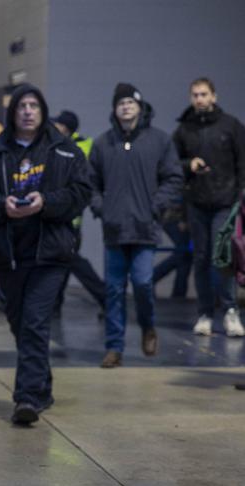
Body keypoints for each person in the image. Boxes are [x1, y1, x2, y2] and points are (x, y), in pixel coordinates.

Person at [0, 83, 92, 425]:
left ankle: (27, 398)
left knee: (35, 322)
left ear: (43, 110)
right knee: (21, 324)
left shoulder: (64, 151)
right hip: (7, 254)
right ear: (13, 112)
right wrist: (1, 206)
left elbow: (82, 192)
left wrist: (46, 202)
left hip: (49, 252)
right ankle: (43, 384)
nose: (28, 111)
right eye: (22, 105)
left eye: (34, 105)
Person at [90, 83, 183, 368]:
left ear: (140, 107)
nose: (126, 107)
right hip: (115, 229)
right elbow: (90, 181)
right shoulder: (103, 143)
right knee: (114, 290)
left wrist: (156, 206)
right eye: (121, 103)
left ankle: (147, 326)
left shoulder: (159, 140)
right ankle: (114, 348)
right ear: (114, 109)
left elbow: (174, 178)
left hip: (145, 227)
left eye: (131, 102)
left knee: (143, 283)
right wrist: (101, 207)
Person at [173, 77, 245, 337]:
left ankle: (229, 311)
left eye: (204, 94)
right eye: (195, 95)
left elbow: (242, 164)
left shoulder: (231, 126)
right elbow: (172, 163)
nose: (199, 99)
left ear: (214, 96)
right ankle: (205, 313)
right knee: (201, 258)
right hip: (196, 203)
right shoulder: (184, 129)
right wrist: (188, 164)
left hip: (226, 203)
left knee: (222, 257)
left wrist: (239, 198)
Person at [51, 110, 106, 315]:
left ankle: (105, 297)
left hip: (70, 218)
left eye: (58, 125)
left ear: (66, 128)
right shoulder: (63, 145)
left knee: (72, 261)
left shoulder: (77, 148)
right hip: (64, 217)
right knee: (62, 262)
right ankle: (54, 306)